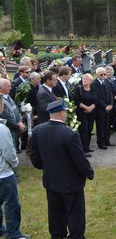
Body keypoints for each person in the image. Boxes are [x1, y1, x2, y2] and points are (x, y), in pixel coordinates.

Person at [30, 99, 94, 239]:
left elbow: (34, 156)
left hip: (51, 181)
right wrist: (89, 173)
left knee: (55, 214)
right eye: (65, 111)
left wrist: (46, 166)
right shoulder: (69, 134)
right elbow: (80, 160)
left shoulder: (38, 130)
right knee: (75, 215)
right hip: (71, 184)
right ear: (61, 112)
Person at [0, 94, 28, 239]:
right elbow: (9, 153)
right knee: (12, 204)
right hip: (4, 173)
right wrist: (14, 164)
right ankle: (13, 234)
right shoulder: (2, 129)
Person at [73, 74, 97, 155]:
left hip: (91, 112)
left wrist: (91, 107)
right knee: (83, 131)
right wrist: (86, 108)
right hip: (81, 113)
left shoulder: (93, 88)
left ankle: (87, 147)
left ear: (91, 81)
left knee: (89, 130)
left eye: (87, 79)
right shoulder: (78, 89)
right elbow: (77, 101)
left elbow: (96, 100)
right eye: (84, 78)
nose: (85, 80)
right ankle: (83, 150)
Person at [92, 67, 114, 150]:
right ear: (97, 74)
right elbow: (96, 98)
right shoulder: (94, 84)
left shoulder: (107, 82)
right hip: (99, 108)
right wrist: (105, 106)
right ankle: (100, 143)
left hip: (108, 107)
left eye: (105, 74)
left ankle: (107, 140)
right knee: (100, 126)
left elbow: (111, 94)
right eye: (101, 74)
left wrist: (111, 104)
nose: (104, 76)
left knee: (107, 125)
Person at [0, 79, 24, 151]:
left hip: (15, 129)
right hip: (9, 130)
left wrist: (20, 121)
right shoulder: (1, 100)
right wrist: (18, 125)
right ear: (1, 88)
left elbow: (16, 109)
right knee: (10, 149)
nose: (11, 88)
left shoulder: (8, 96)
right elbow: (6, 117)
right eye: (8, 86)